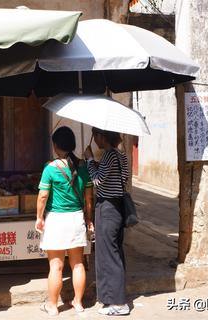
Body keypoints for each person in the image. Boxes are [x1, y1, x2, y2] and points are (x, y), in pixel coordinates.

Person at [35, 126, 94, 316]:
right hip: (77, 219)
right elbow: (89, 199)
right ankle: (78, 303)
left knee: (56, 265)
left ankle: (52, 306)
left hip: (56, 221)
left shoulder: (50, 168)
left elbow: (43, 196)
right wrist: (89, 219)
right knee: (77, 264)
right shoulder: (83, 167)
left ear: (55, 145)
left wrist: (38, 218)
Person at [84, 127, 130, 316]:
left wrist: (88, 160)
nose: (94, 140)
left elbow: (98, 181)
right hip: (117, 207)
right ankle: (112, 297)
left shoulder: (109, 155)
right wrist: (94, 162)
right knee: (115, 251)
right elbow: (124, 178)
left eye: (95, 136)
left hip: (107, 208)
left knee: (108, 253)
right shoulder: (121, 156)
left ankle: (118, 303)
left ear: (102, 137)